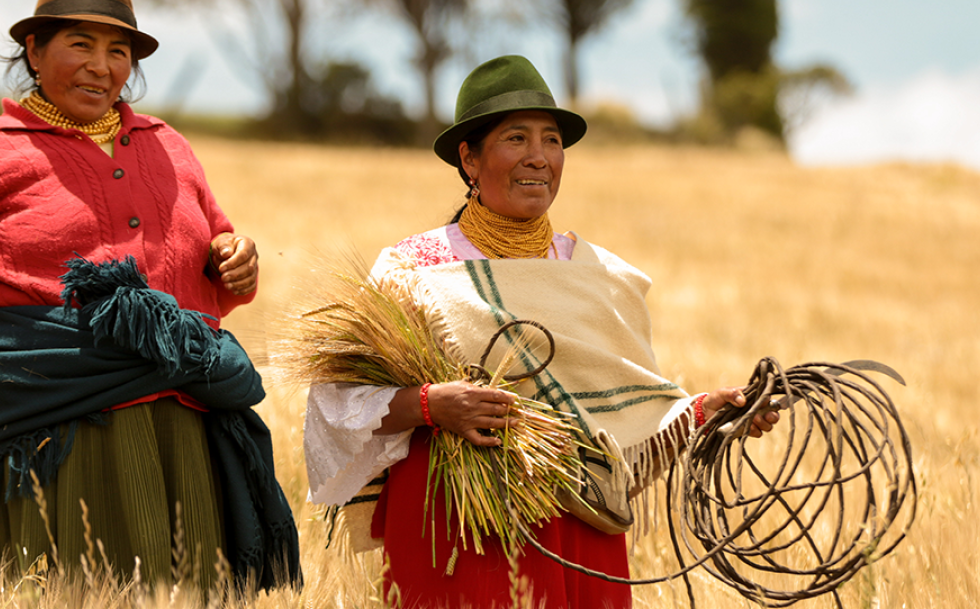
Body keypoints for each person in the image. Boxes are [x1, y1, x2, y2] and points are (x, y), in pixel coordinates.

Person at [0, 0, 299, 592]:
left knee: (192, 591)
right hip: (64, 426)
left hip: (185, 425)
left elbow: (216, 263)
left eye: (119, 50)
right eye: (80, 43)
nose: (102, 65)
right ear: (34, 51)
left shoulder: (168, 145)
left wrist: (236, 261)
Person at [303, 55, 778, 608]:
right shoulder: (415, 269)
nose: (539, 157)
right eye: (515, 138)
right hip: (459, 527)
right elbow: (336, 406)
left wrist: (701, 414)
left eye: (551, 140)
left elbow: (621, 429)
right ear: (469, 159)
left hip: (580, 528)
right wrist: (432, 405)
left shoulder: (599, 276)